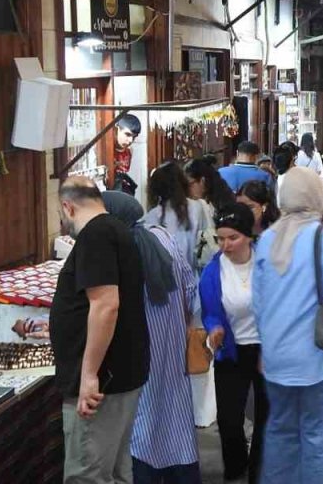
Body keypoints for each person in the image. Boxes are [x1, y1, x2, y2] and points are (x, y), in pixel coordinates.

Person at [253, 167, 323, 484]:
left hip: (276, 357)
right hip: (317, 357)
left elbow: (258, 302)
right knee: (318, 434)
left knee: (280, 431)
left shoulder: (268, 239)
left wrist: (266, 346)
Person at [49, 177, 148, 484]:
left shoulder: (96, 235)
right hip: (119, 374)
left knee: (88, 474)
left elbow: (106, 305)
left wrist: (89, 374)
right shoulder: (115, 229)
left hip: (104, 380)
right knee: (115, 472)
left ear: (68, 207)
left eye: (61, 215)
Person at [101, 191, 201, 484]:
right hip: (172, 354)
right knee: (176, 427)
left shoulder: (120, 252)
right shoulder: (163, 237)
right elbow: (190, 291)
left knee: (142, 431)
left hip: (139, 362)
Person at [200, 204, 270, 484]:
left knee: (266, 418)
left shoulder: (266, 264)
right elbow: (210, 311)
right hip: (231, 351)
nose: (225, 245)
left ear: (248, 236)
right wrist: (214, 328)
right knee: (229, 420)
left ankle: (260, 473)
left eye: (233, 238)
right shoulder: (213, 271)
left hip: (265, 351)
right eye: (220, 238)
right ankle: (236, 469)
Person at [143, 161, 206, 270]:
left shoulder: (152, 216)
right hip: (195, 274)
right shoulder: (198, 207)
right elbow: (206, 242)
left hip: (165, 276)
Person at [112, 114, 142, 196]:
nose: (130, 140)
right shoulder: (108, 150)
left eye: (134, 137)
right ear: (117, 129)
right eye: (127, 134)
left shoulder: (129, 151)